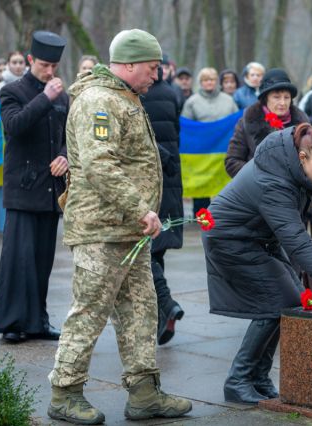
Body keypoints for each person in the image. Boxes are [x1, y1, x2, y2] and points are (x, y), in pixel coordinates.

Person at [47, 29, 191, 424]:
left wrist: (139, 214)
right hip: (102, 229)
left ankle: (144, 394)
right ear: (128, 64)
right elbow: (99, 164)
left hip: (127, 230)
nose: (156, 75)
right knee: (89, 312)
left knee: (141, 311)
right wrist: (140, 208)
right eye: (151, 67)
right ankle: (65, 392)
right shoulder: (99, 101)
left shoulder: (124, 97)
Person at [202, 122, 312, 404]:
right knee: (276, 302)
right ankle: (238, 380)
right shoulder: (274, 182)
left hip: (254, 238)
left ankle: (259, 377)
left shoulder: (287, 165)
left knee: (288, 300)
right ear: (302, 157)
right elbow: (296, 239)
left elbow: (292, 234)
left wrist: (310, 276)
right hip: (230, 240)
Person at [0, 31, 69, 344]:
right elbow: (15, 126)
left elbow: (69, 137)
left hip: (51, 191)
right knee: (18, 261)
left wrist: (65, 156)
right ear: (29, 61)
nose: (49, 71)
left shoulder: (63, 96)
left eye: (54, 65)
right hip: (23, 189)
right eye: (43, 64)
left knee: (42, 261)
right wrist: (45, 98)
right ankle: (12, 323)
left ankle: (38, 321)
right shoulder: (13, 91)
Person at [141, 65, 185, 346]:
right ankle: (160, 319)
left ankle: (166, 304)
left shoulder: (136, 95)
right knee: (156, 253)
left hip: (148, 179)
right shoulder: (172, 93)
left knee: (143, 253)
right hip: (169, 178)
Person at [225, 68, 308, 177]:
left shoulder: (302, 124)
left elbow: (310, 158)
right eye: (276, 97)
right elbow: (232, 161)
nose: (282, 102)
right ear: (266, 98)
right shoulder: (248, 121)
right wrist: (259, 175)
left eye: (286, 97)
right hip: (257, 188)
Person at [182, 67, 238, 213]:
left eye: (212, 79)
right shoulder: (192, 102)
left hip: (224, 150)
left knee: (225, 184)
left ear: (217, 82)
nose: (209, 83)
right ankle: (201, 217)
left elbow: (236, 122)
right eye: (206, 80)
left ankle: (224, 217)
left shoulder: (229, 100)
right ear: (200, 82)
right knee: (202, 184)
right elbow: (187, 126)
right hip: (202, 152)